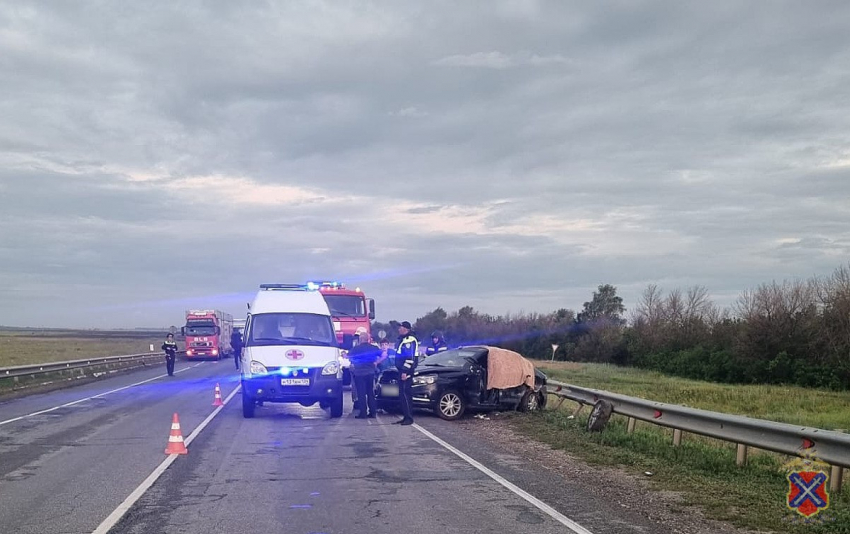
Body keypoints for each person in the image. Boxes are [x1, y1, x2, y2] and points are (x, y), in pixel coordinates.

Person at [393, 321, 419, 425]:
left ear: (406, 329)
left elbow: (409, 358)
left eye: (401, 327)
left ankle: (409, 418)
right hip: (403, 370)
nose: (399, 329)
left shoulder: (409, 340)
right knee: (402, 395)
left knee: (405, 394)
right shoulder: (404, 339)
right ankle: (406, 416)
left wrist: (404, 371)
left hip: (406, 371)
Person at [347, 342, 382, 418]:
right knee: (370, 393)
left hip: (359, 373)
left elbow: (349, 356)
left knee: (361, 393)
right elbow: (384, 354)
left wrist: (354, 363)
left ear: (361, 339)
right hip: (370, 373)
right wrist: (376, 362)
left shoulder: (356, 349)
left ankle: (363, 413)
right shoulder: (373, 348)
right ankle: (373, 413)